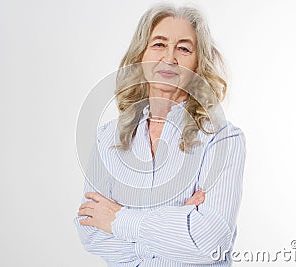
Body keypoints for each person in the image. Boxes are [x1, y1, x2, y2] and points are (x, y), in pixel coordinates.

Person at [74, 3, 246, 266]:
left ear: (199, 64)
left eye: (184, 48)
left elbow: (211, 243)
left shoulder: (222, 139)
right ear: (140, 55)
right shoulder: (106, 138)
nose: (169, 58)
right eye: (158, 44)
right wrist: (179, 221)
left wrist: (119, 219)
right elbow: (90, 230)